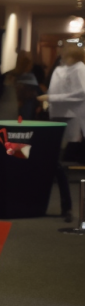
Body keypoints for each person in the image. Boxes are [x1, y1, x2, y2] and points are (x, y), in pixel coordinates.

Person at [43, 43, 85, 222]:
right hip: (57, 115)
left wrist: (52, 98)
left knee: (57, 161)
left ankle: (67, 206)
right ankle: (64, 205)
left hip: (72, 118)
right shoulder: (60, 69)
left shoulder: (80, 69)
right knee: (53, 161)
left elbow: (82, 92)